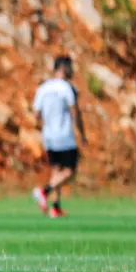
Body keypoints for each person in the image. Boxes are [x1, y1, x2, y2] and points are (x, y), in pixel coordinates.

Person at [31, 55, 86, 218]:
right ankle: (44, 191)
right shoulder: (66, 88)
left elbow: (35, 114)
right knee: (70, 170)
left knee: (57, 170)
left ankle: (55, 208)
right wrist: (82, 134)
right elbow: (75, 113)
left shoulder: (43, 88)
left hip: (48, 136)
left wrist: (44, 124)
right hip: (64, 134)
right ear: (63, 68)